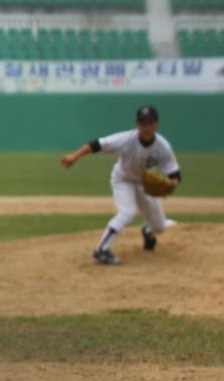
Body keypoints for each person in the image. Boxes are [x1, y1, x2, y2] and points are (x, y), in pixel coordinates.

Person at [60, 104, 181, 265]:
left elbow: (174, 174)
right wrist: (74, 157)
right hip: (123, 180)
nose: (146, 126)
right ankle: (101, 251)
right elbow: (97, 144)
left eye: (149, 123)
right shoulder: (126, 139)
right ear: (137, 124)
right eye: (142, 123)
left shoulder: (162, 146)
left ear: (156, 125)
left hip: (143, 183)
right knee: (127, 212)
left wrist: (172, 184)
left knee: (159, 227)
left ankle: (147, 230)